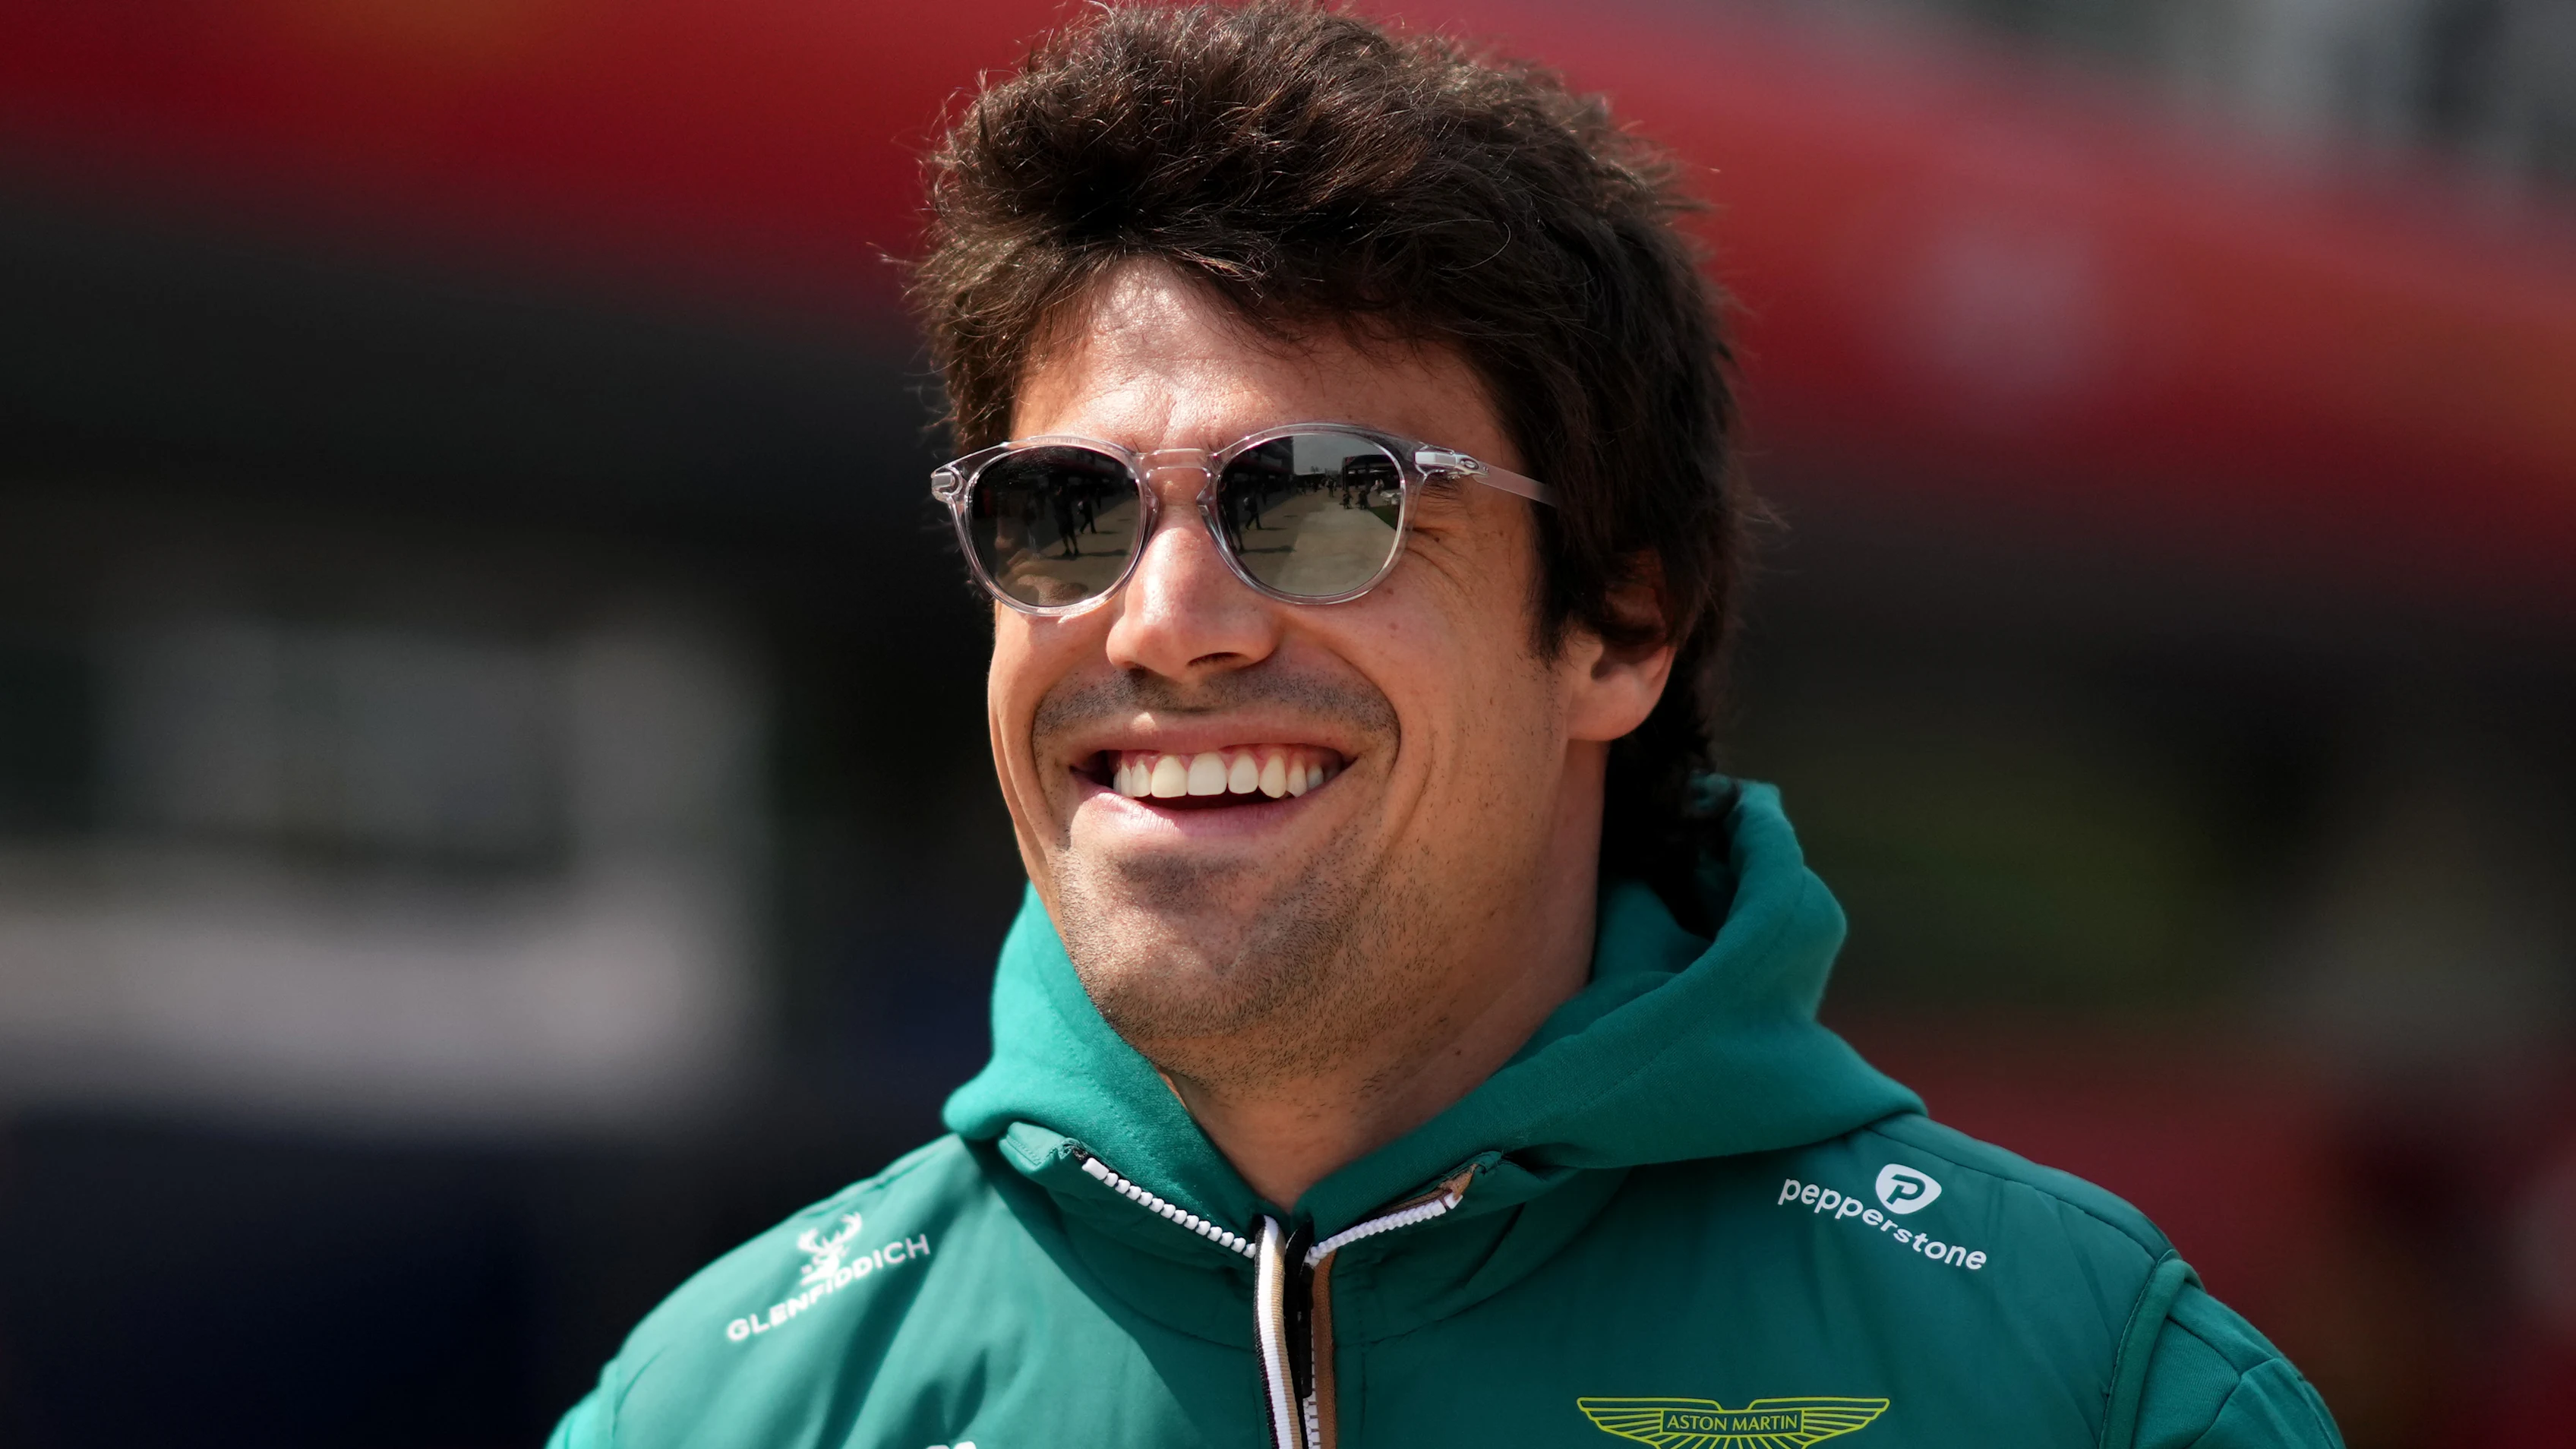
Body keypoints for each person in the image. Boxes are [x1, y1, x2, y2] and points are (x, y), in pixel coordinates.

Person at [548, 5, 2343, 1447]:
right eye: (1066, 511)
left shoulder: (2092, 1390)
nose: (1165, 623)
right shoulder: (721, 1404)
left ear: (1616, 628)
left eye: (1325, 501)